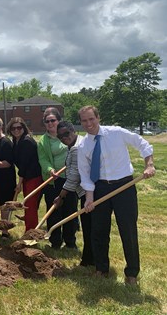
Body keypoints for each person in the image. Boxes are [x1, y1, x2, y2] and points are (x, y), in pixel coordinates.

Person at [77, 106, 155, 285]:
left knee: (127, 230)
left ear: (98, 117)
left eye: (91, 119)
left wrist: (149, 164)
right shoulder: (83, 145)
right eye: (84, 121)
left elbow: (142, 143)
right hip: (100, 188)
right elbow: (85, 173)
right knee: (98, 231)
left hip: (124, 186)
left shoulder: (116, 133)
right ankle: (101, 268)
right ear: (80, 123)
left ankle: (132, 273)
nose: (89, 124)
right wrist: (89, 197)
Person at [37, 107, 78, 249]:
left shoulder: (68, 134)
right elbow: (43, 159)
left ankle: (70, 242)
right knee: (54, 211)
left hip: (71, 179)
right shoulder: (43, 141)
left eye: (52, 120)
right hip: (54, 180)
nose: (50, 123)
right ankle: (55, 241)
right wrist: (50, 170)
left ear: (58, 120)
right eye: (46, 121)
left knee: (70, 210)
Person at [54, 121, 92, 266]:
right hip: (88, 190)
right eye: (60, 137)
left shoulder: (76, 148)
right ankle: (91, 258)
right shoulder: (77, 144)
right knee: (91, 227)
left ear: (73, 131)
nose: (64, 138)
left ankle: (89, 260)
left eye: (66, 134)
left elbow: (74, 177)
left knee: (89, 227)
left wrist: (61, 196)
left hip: (86, 192)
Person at [6, 117, 43, 231]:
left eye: (19, 127)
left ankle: (31, 232)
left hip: (34, 177)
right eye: (13, 128)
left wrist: (19, 183)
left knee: (30, 205)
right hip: (26, 176)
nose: (16, 130)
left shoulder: (27, 141)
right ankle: (29, 221)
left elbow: (24, 164)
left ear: (24, 128)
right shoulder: (16, 140)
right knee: (28, 203)